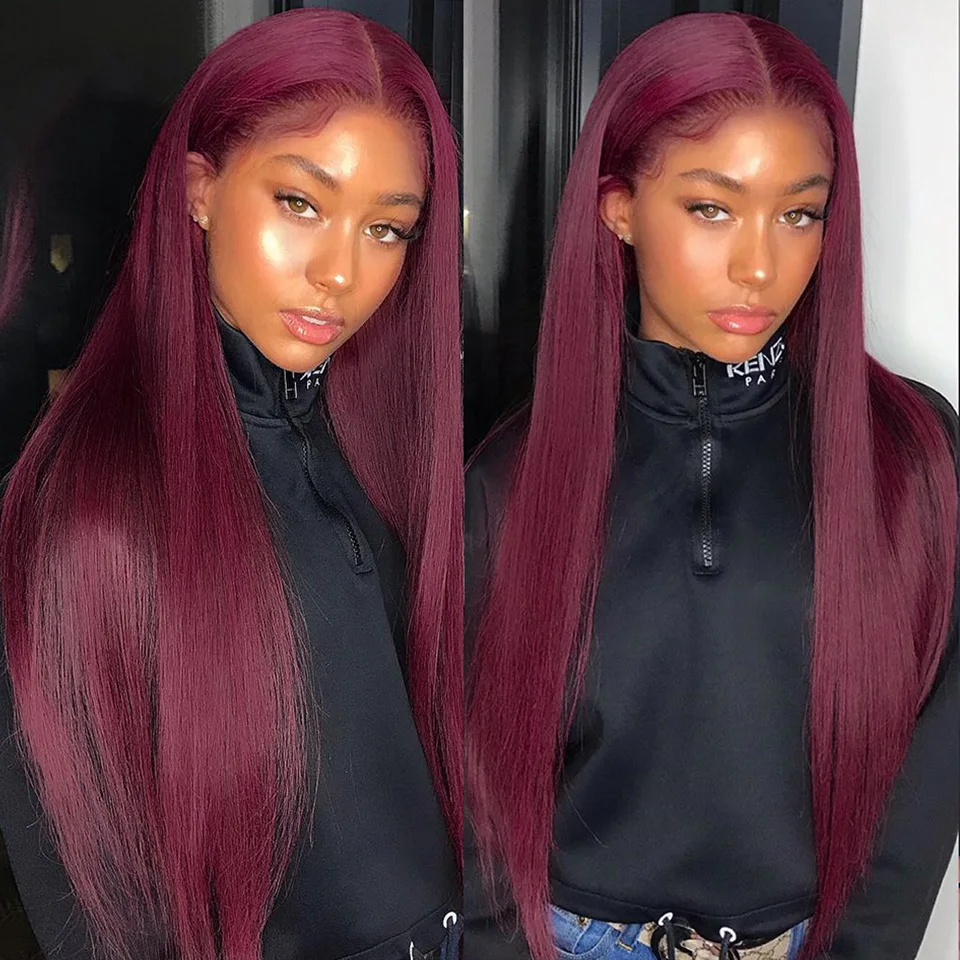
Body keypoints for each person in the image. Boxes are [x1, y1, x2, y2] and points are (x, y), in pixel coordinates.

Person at [464, 12, 957, 960]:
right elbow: (476, 792)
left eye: (799, 213)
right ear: (618, 208)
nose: (759, 265)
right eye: (711, 208)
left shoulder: (913, 456)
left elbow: (935, 754)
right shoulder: (511, 481)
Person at [0, 9, 463, 960]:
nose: (340, 272)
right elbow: (96, 914)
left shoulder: (360, 443)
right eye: (300, 202)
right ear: (199, 190)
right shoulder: (91, 509)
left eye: (386, 228)